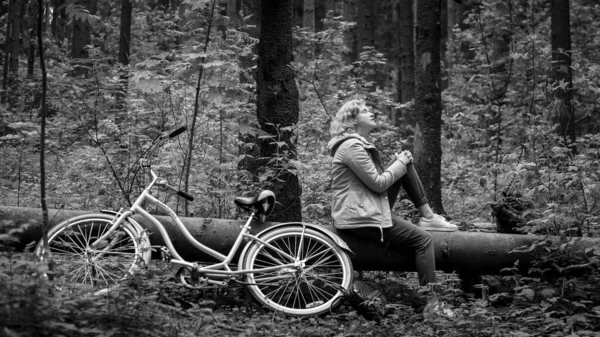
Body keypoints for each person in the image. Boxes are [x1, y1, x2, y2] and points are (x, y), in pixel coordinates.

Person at [327, 98, 457, 318]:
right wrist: (399, 164)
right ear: (352, 120)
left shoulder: (355, 144)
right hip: (361, 216)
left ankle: (427, 215)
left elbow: (376, 184)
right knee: (424, 240)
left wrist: (401, 164)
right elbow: (378, 183)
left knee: (404, 164)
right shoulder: (351, 146)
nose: (371, 113)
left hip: (365, 208)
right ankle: (433, 303)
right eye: (365, 111)